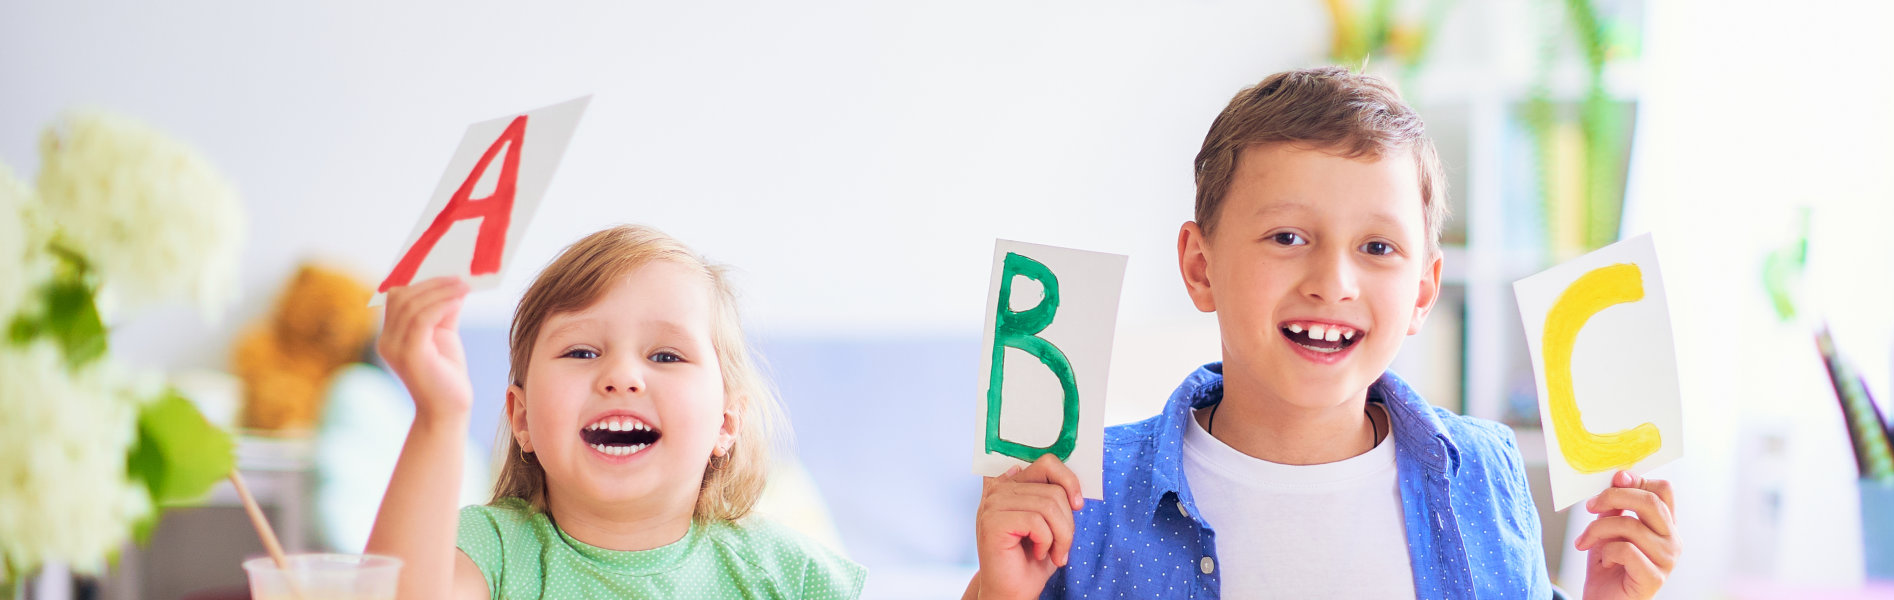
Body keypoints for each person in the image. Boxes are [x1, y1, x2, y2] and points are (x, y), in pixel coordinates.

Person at [966, 67, 1680, 599]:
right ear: (1200, 266)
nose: (1333, 281)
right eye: (1287, 236)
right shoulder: (1084, 504)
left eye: (1377, 248)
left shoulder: (1487, 476)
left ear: (1424, 290)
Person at [368, 224, 865, 599]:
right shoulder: (487, 550)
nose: (621, 376)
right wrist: (439, 415)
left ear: (725, 424)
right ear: (522, 420)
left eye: (666, 356)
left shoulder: (789, 573)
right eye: (582, 352)